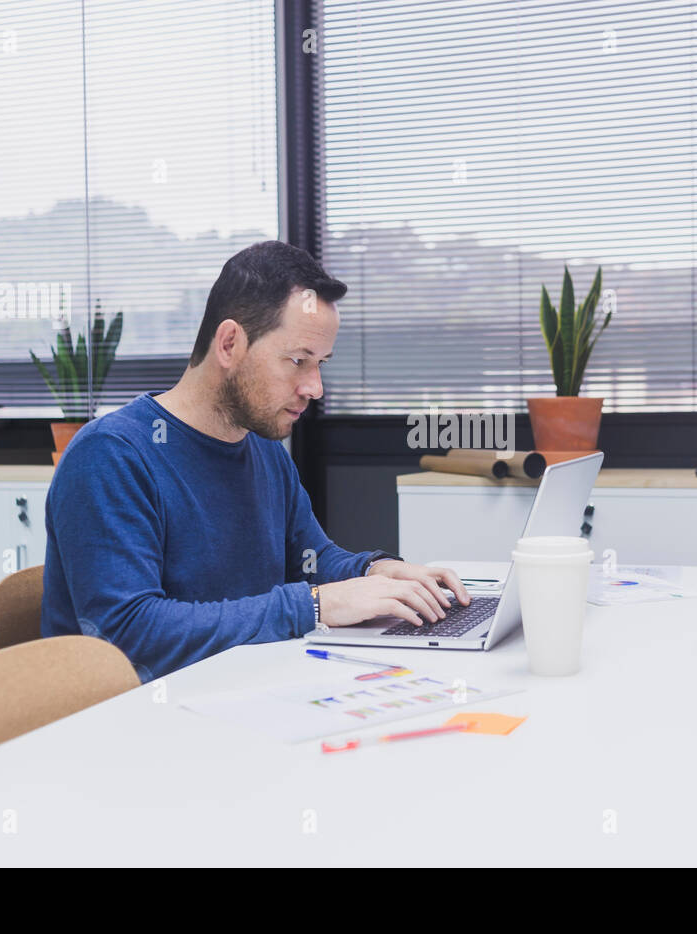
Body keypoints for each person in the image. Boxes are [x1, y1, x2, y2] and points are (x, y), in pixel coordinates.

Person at [42, 241, 470, 682]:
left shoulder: (264, 448)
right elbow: (128, 634)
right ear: (229, 343)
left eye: (320, 363)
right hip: (135, 727)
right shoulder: (111, 456)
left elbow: (309, 558)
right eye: (299, 361)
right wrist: (318, 606)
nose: (315, 388)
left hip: (240, 697)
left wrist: (375, 572)